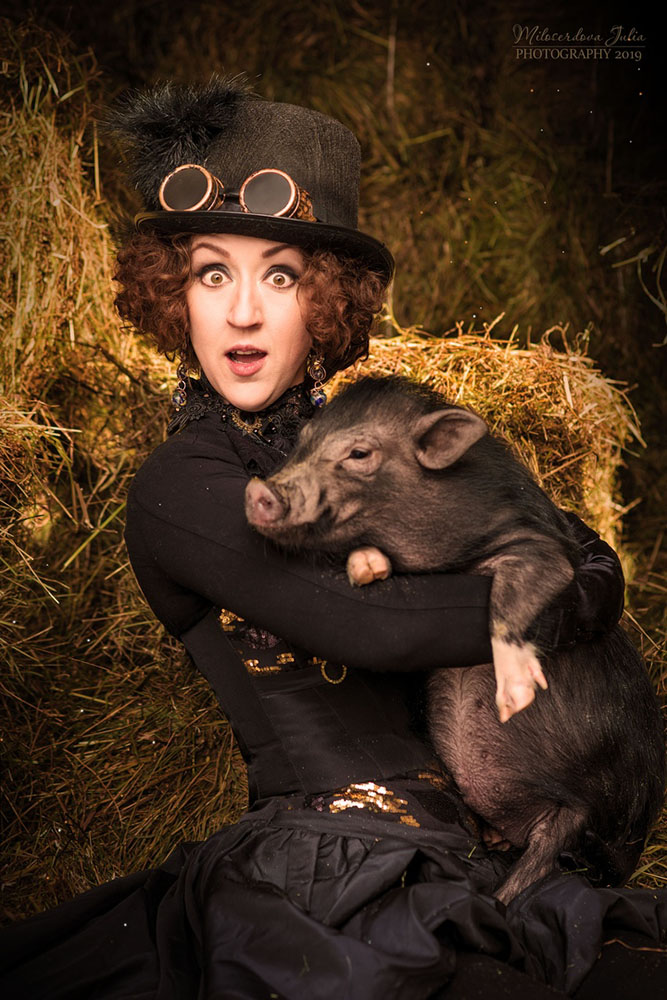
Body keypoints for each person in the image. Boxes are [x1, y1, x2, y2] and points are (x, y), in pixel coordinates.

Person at [1, 77, 665, 1000]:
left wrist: (584, 569)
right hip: (325, 874)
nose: (241, 312)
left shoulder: (370, 430)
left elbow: (541, 525)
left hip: (485, 862)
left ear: (326, 301)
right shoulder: (184, 485)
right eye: (211, 273)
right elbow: (375, 624)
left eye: (279, 276)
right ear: (171, 294)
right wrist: (558, 596)